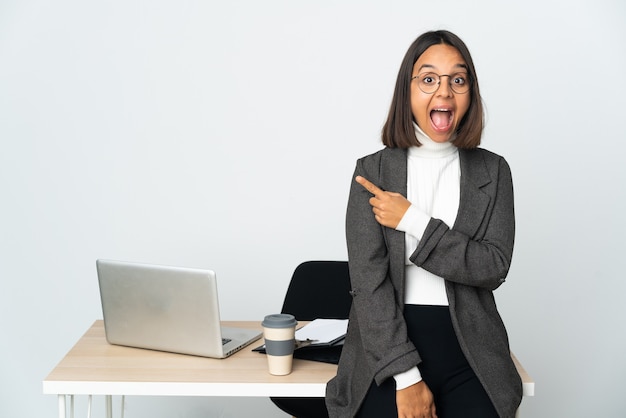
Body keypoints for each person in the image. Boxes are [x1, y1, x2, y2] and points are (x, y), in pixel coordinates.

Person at [325, 30, 523, 418]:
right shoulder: (372, 171)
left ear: (470, 93)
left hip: (471, 346)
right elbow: (368, 284)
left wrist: (413, 220)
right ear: (408, 91)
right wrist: (406, 377)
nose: (444, 92)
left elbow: (493, 267)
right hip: (386, 343)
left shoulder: (493, 171)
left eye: (458, 80)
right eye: (429, 79)